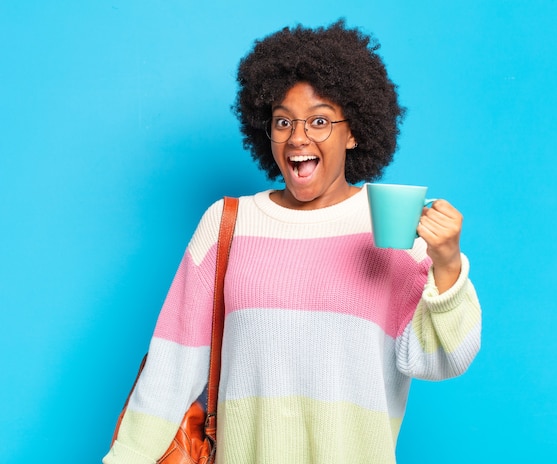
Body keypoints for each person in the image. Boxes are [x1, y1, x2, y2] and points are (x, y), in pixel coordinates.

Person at [103, 19, 481, 464]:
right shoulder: (228, 223)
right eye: (283, 121)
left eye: (319, 120)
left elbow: (442, 359)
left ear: (354, 131)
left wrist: (447, 265)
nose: (298, 137)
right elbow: (170, 371)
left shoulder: (391, 230)